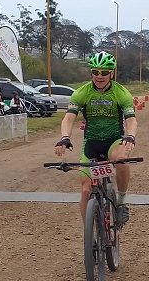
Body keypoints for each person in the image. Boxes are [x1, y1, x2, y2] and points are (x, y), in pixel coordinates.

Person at [54, 51, 137, 228]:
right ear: (91, 72)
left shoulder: (121, 93)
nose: (99, 76)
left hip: (113, 140)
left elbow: (131, 119)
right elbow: (69, 118)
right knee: (85, 190)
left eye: (104, 72)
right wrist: (65, 138)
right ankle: (89, 234)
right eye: (95, 72)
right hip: (91, 142)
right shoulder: (82, 93)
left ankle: (121, 202)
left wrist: (130, 136)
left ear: (112, 73)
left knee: (122, 159)